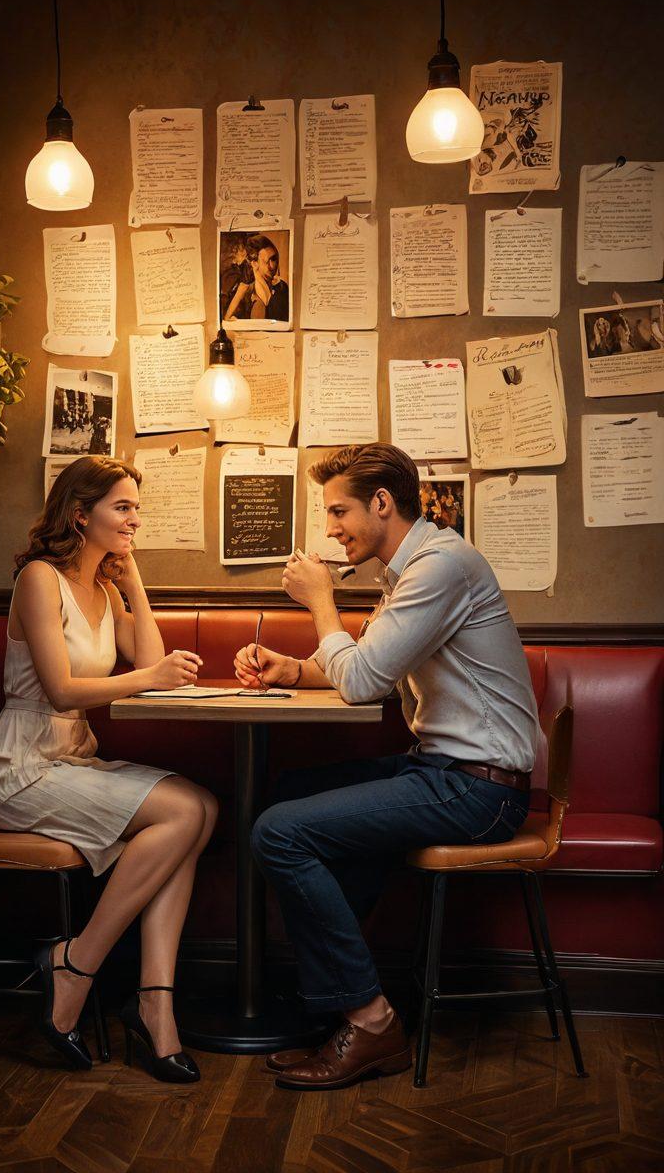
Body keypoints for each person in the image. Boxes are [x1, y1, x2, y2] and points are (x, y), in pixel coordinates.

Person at [234, 444, 538, 1091]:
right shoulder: (408, 572)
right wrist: (290, 669)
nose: (331, 528)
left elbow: (363, 680)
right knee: (289, 794)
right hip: (443, 771)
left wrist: (319, 601)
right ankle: (338, 1003)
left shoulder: (441, 566)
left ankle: (369, 1019)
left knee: (279, 832)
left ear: (381, 503)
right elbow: (359, 670)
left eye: (339, 510)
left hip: (479, 790)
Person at [0, 456, 218, 1083]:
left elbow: (153, 657)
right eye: (123, 508)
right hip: (22, 768)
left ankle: (151, 1000)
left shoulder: (105, 590)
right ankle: (78, 964)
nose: (136, 518)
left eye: (137, 507)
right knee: (185, 810)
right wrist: (145, 679)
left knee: (204, 809)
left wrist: (132, 579)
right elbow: (59, 690)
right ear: (80, 514)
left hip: (72, 758)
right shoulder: (38, 578)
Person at [223, 233, 289, 322]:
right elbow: (227, 319)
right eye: (267, 261)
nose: (272, 266)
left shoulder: (282, 287)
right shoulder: (246, 294)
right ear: (254, 264)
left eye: (273, 259)